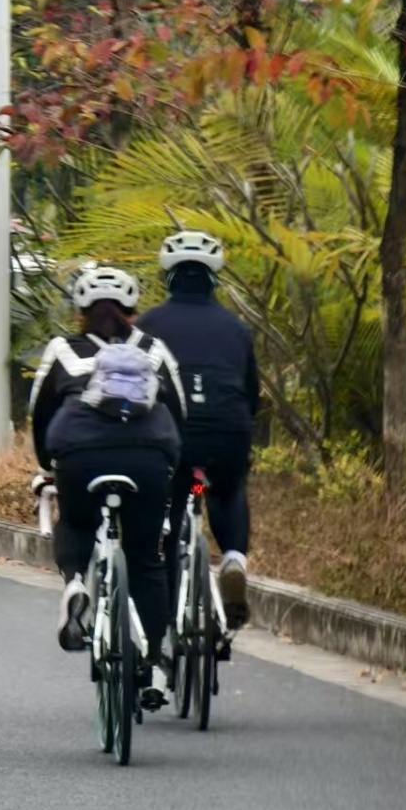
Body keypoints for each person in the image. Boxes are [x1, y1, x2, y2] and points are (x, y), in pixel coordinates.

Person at [30, 265, 186, 707]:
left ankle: (77, 583)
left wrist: (48, 464)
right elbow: (179, 411)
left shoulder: (63, 349)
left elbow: (39, 413)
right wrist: (170, 464)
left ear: (79, 311)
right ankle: (154, 664)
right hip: (149, 458)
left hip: (80, 456)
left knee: (77, 521)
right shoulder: (154, 350)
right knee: (144, 559)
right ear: (132, 309)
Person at [139, 230, 260, 630]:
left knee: (175, 503)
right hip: (227, 434)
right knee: (226, 489)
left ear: (169, 278)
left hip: (171, 440)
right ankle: (233, 560)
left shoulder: (148, 325)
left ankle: (175, 620)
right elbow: (251, 395)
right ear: (214, 280)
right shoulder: (235, 328)